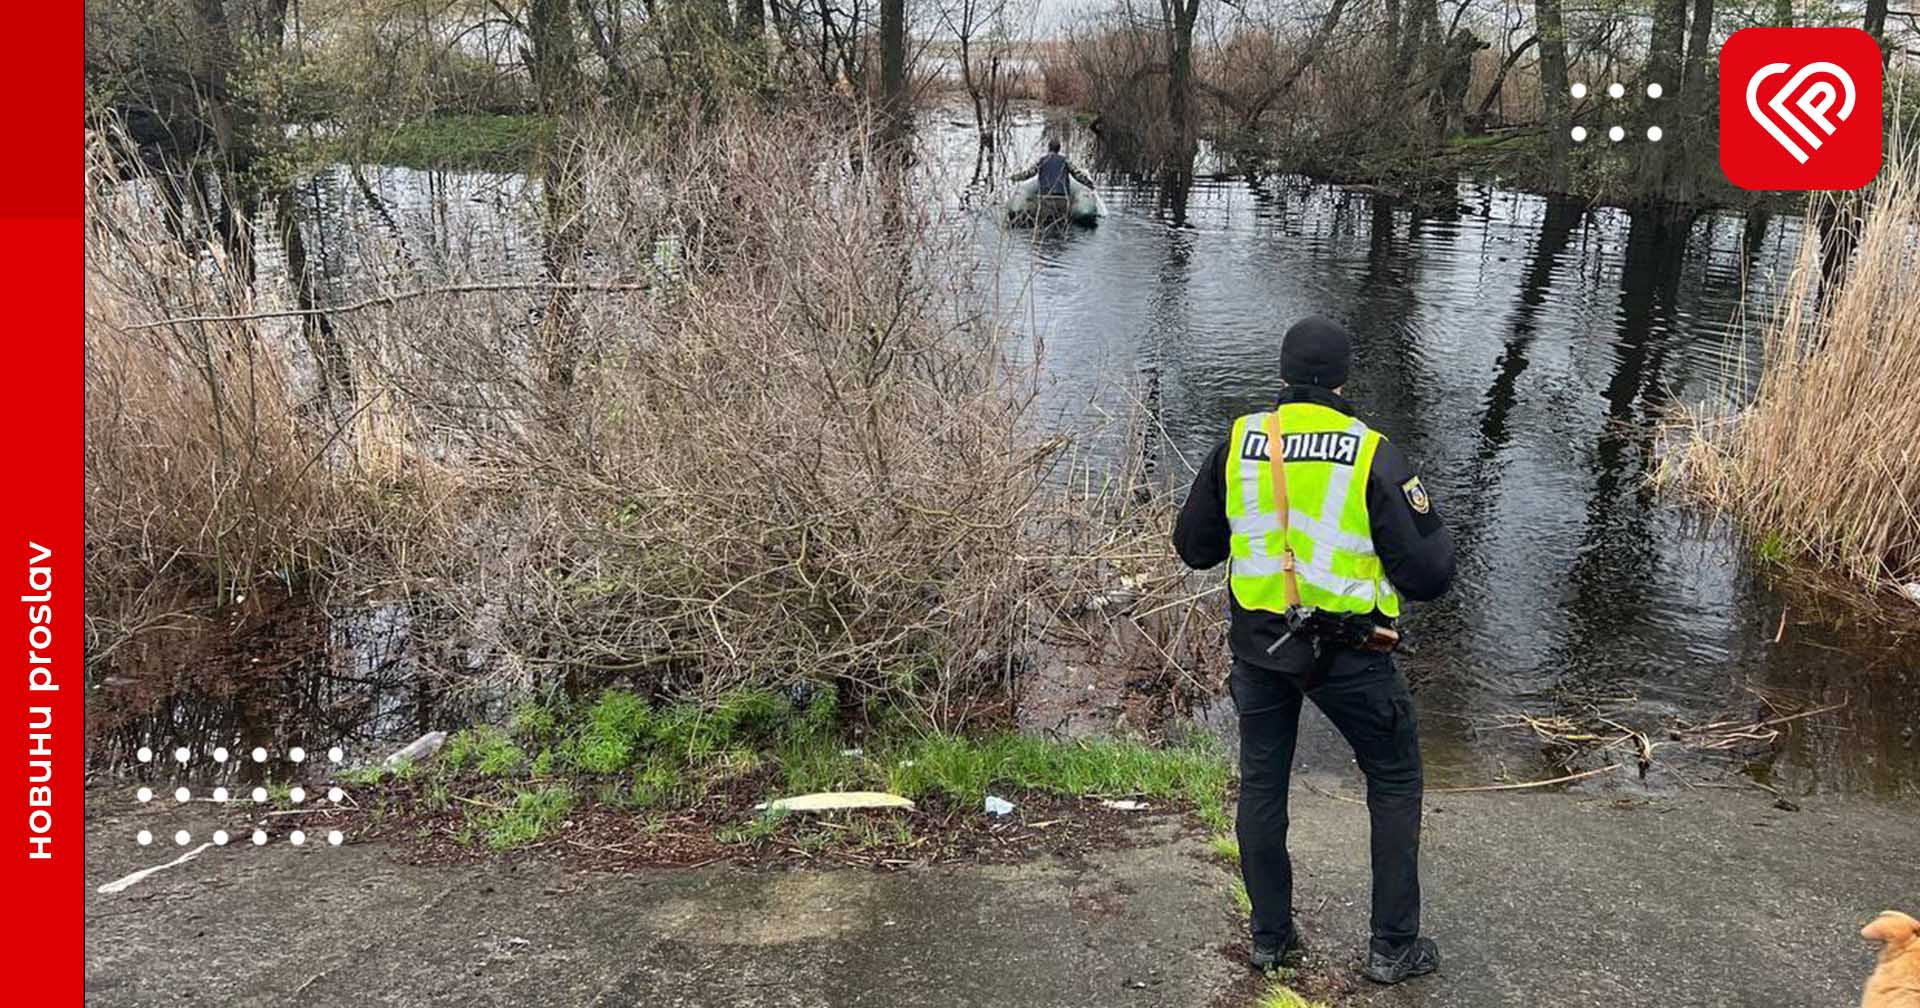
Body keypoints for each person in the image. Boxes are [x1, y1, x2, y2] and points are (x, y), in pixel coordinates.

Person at [1172, 315, 1456, 986]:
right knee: (1393, 781)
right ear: (1344, 378)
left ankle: (1272, 941)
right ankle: (1393, 947)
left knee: (1263, 785)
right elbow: (1431, 574)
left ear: (1281, 375)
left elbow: (1195, 547)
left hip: (1261, 649)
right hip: (1354, 655)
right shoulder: (1372, 454)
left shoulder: (1238, 444)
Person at [1011, 139, 1093, 196]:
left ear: (1049, 148)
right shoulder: (1065, 161)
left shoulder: (1042, 161)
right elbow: (1077, 175)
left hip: (1045, 194)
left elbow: (1029, 173)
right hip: (1062, 194)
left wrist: (1016, 177)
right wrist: (1089, 183)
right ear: (1059, 149)